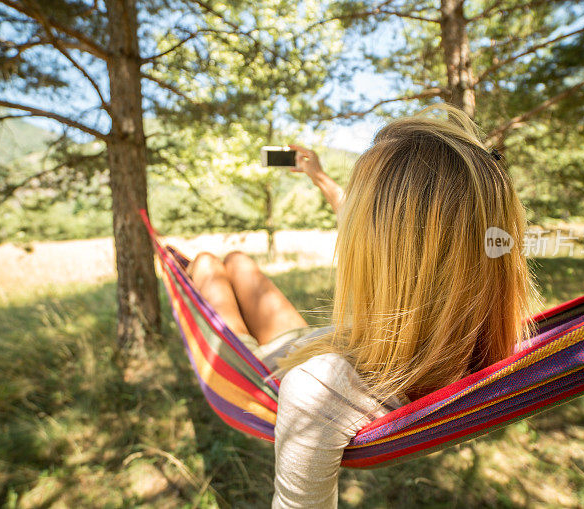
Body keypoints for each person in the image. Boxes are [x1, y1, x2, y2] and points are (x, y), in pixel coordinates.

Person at [186, 105, 537, 508]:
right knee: (239, 261)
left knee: (208, 264)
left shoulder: (317, 392)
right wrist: (318, 176)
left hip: (262, 365)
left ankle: (195, 265)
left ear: (376, 247)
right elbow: (407, 236)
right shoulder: (482, 343)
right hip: (321, 344)